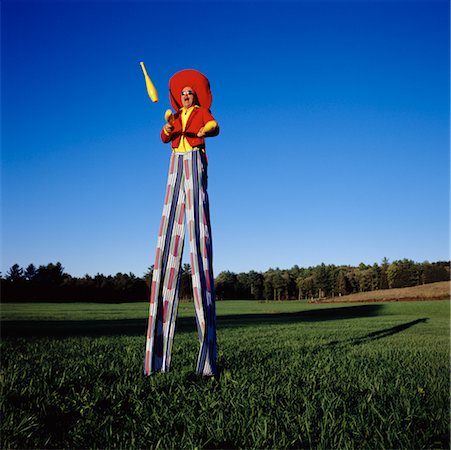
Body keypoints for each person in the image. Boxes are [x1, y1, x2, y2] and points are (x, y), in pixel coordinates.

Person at [144, 69, 219, 377]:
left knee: (198, 240)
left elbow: (213, 129)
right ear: (178, 97)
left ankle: (207, 362)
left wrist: (205, 129)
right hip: (176, 163)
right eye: (183, 94)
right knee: (168, 246)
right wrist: (166, 128)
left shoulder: (201, 113)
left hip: (195, 162)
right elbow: (163, 138)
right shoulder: (174, 117)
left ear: (196, 96)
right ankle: (156, 362)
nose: (186, 97)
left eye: (190, 93)